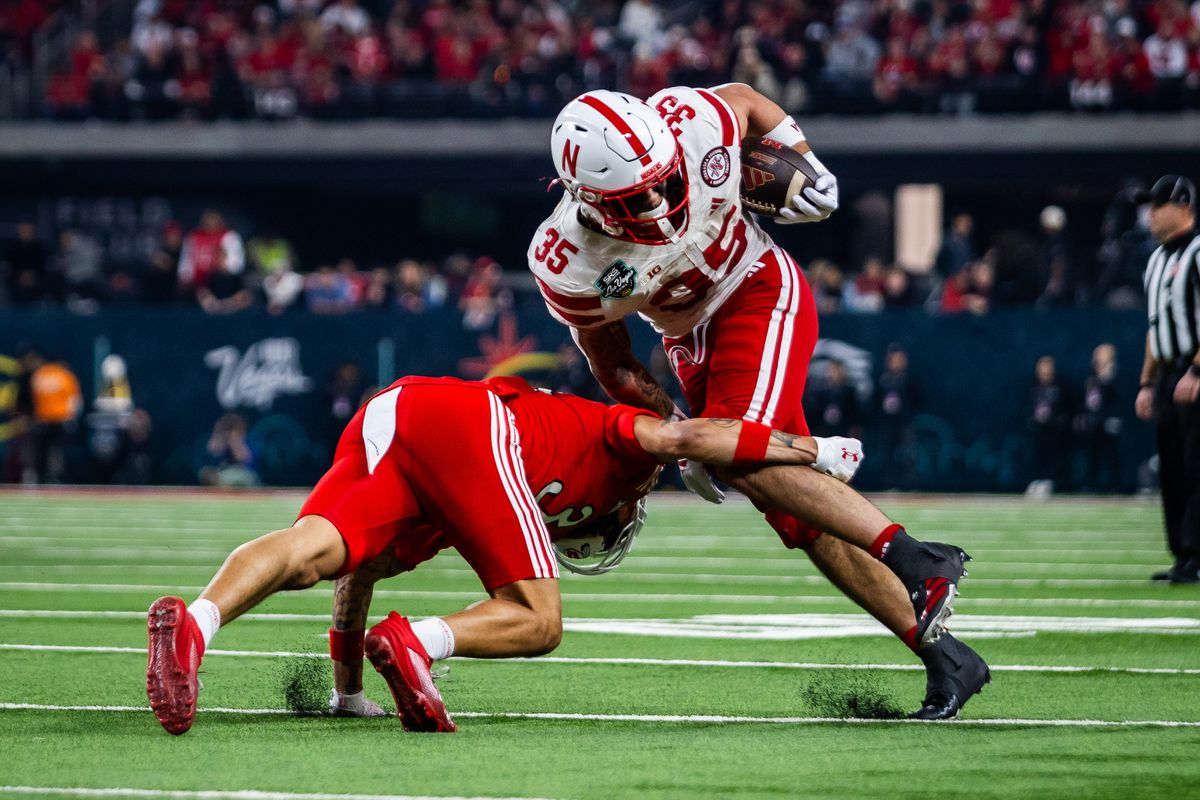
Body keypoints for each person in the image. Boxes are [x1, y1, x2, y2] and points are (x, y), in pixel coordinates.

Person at [527, 85, 988, 719]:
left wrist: (803, 154)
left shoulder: (688, 124)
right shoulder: (569, 262)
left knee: (739, 456)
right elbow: (614, 365)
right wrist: (677, 426)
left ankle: (918, 557)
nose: (659, 202)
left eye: (661, 181)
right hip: (691, 340)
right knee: (797, 517)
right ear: (584, 196)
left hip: (755, 288)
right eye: (636, 198)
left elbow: (744, 100)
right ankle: (946, 657)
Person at [145, 374, 867, 735]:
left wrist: (347, 694)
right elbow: (685, 439)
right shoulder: (623, 438)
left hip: (400, 411)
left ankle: (197, 624)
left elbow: (355, 580)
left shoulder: (453, 512)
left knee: (314, 552)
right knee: (540, 619)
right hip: (474, 423)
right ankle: (420, 642)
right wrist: (814, 450)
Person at [1134, 175, 1200, 583]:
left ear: (1184, 205)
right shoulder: (1155, 260)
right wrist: (1146, 382)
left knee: (1196, 467)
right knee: (1173, 469)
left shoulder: (1197, 251)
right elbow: (1154, 329)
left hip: (1193, 372)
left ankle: (1197, 554)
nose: (1151, 213)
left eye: (1160, 205)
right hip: (1169, 374)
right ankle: (1183, 554)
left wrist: (1196, 370)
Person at [28, 351, 83, 484]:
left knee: (41, 451)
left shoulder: (39, 374)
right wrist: (72, 417)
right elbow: (74, 400)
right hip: (61, 419)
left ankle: (40, 478)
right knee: (59, 451)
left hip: (43, 419)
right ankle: (59, 478)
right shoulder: (65, 375)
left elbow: (33, 399)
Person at [1026, 355, 1071, 497]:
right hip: (1039, 429)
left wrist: (1057, 420)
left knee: (1053, 455)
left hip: (1054, 430)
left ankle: (1050, 482)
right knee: (1038, 455)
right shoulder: (1034, 388)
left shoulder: (1059, 388)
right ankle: (1037, 480)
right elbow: (1027, 407)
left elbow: (1067, 408)